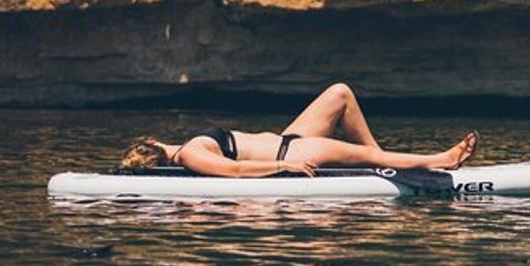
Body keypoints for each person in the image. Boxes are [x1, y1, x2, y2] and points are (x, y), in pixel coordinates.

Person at [117, 83, 479, 177]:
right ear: (150, 145)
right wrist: (282, 168)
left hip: (289, 139)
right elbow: (237, 171)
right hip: (291, 155)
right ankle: (442, 160)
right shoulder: (192, 154)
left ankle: (381, 164)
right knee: (369, 155)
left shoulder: (187, 145)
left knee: (340, 93)